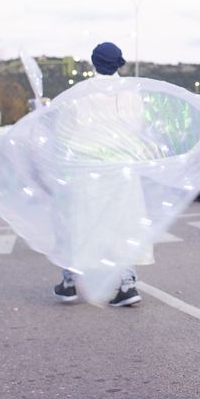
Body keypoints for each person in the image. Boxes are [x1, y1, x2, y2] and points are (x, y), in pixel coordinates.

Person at [52, 41, 143, 308]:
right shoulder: (131, 94)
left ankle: (69, 283)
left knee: (79, 224)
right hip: (122, 170)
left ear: (94, 62)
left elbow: (63, 133)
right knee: (121, 225)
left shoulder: (79, 95)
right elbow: (138, 128)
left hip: (86, 170)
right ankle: (127, 284)